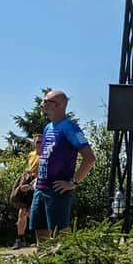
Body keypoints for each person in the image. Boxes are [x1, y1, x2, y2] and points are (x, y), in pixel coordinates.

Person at [30, 90, 95, 243]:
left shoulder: (70, 127)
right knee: (40, 233)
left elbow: (89, 158)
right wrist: (38, 178)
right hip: (40, 188)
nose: (42, 104)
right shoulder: (47, 128)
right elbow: (47, 155)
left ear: (58, 105)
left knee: (61, 238)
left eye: (46, 101)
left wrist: (73, 183)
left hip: (57, 190)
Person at [11, 134, 41, 249]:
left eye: (41, 142)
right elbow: (29, 169)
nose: (39, 144)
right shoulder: (32, 155)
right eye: (37, 142)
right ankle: (20, 239)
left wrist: (31, 185)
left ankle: (43, 239)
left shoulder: (46, 156)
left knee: (33, 214)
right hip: (28, 185)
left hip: (38, 187)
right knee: (22, 212)